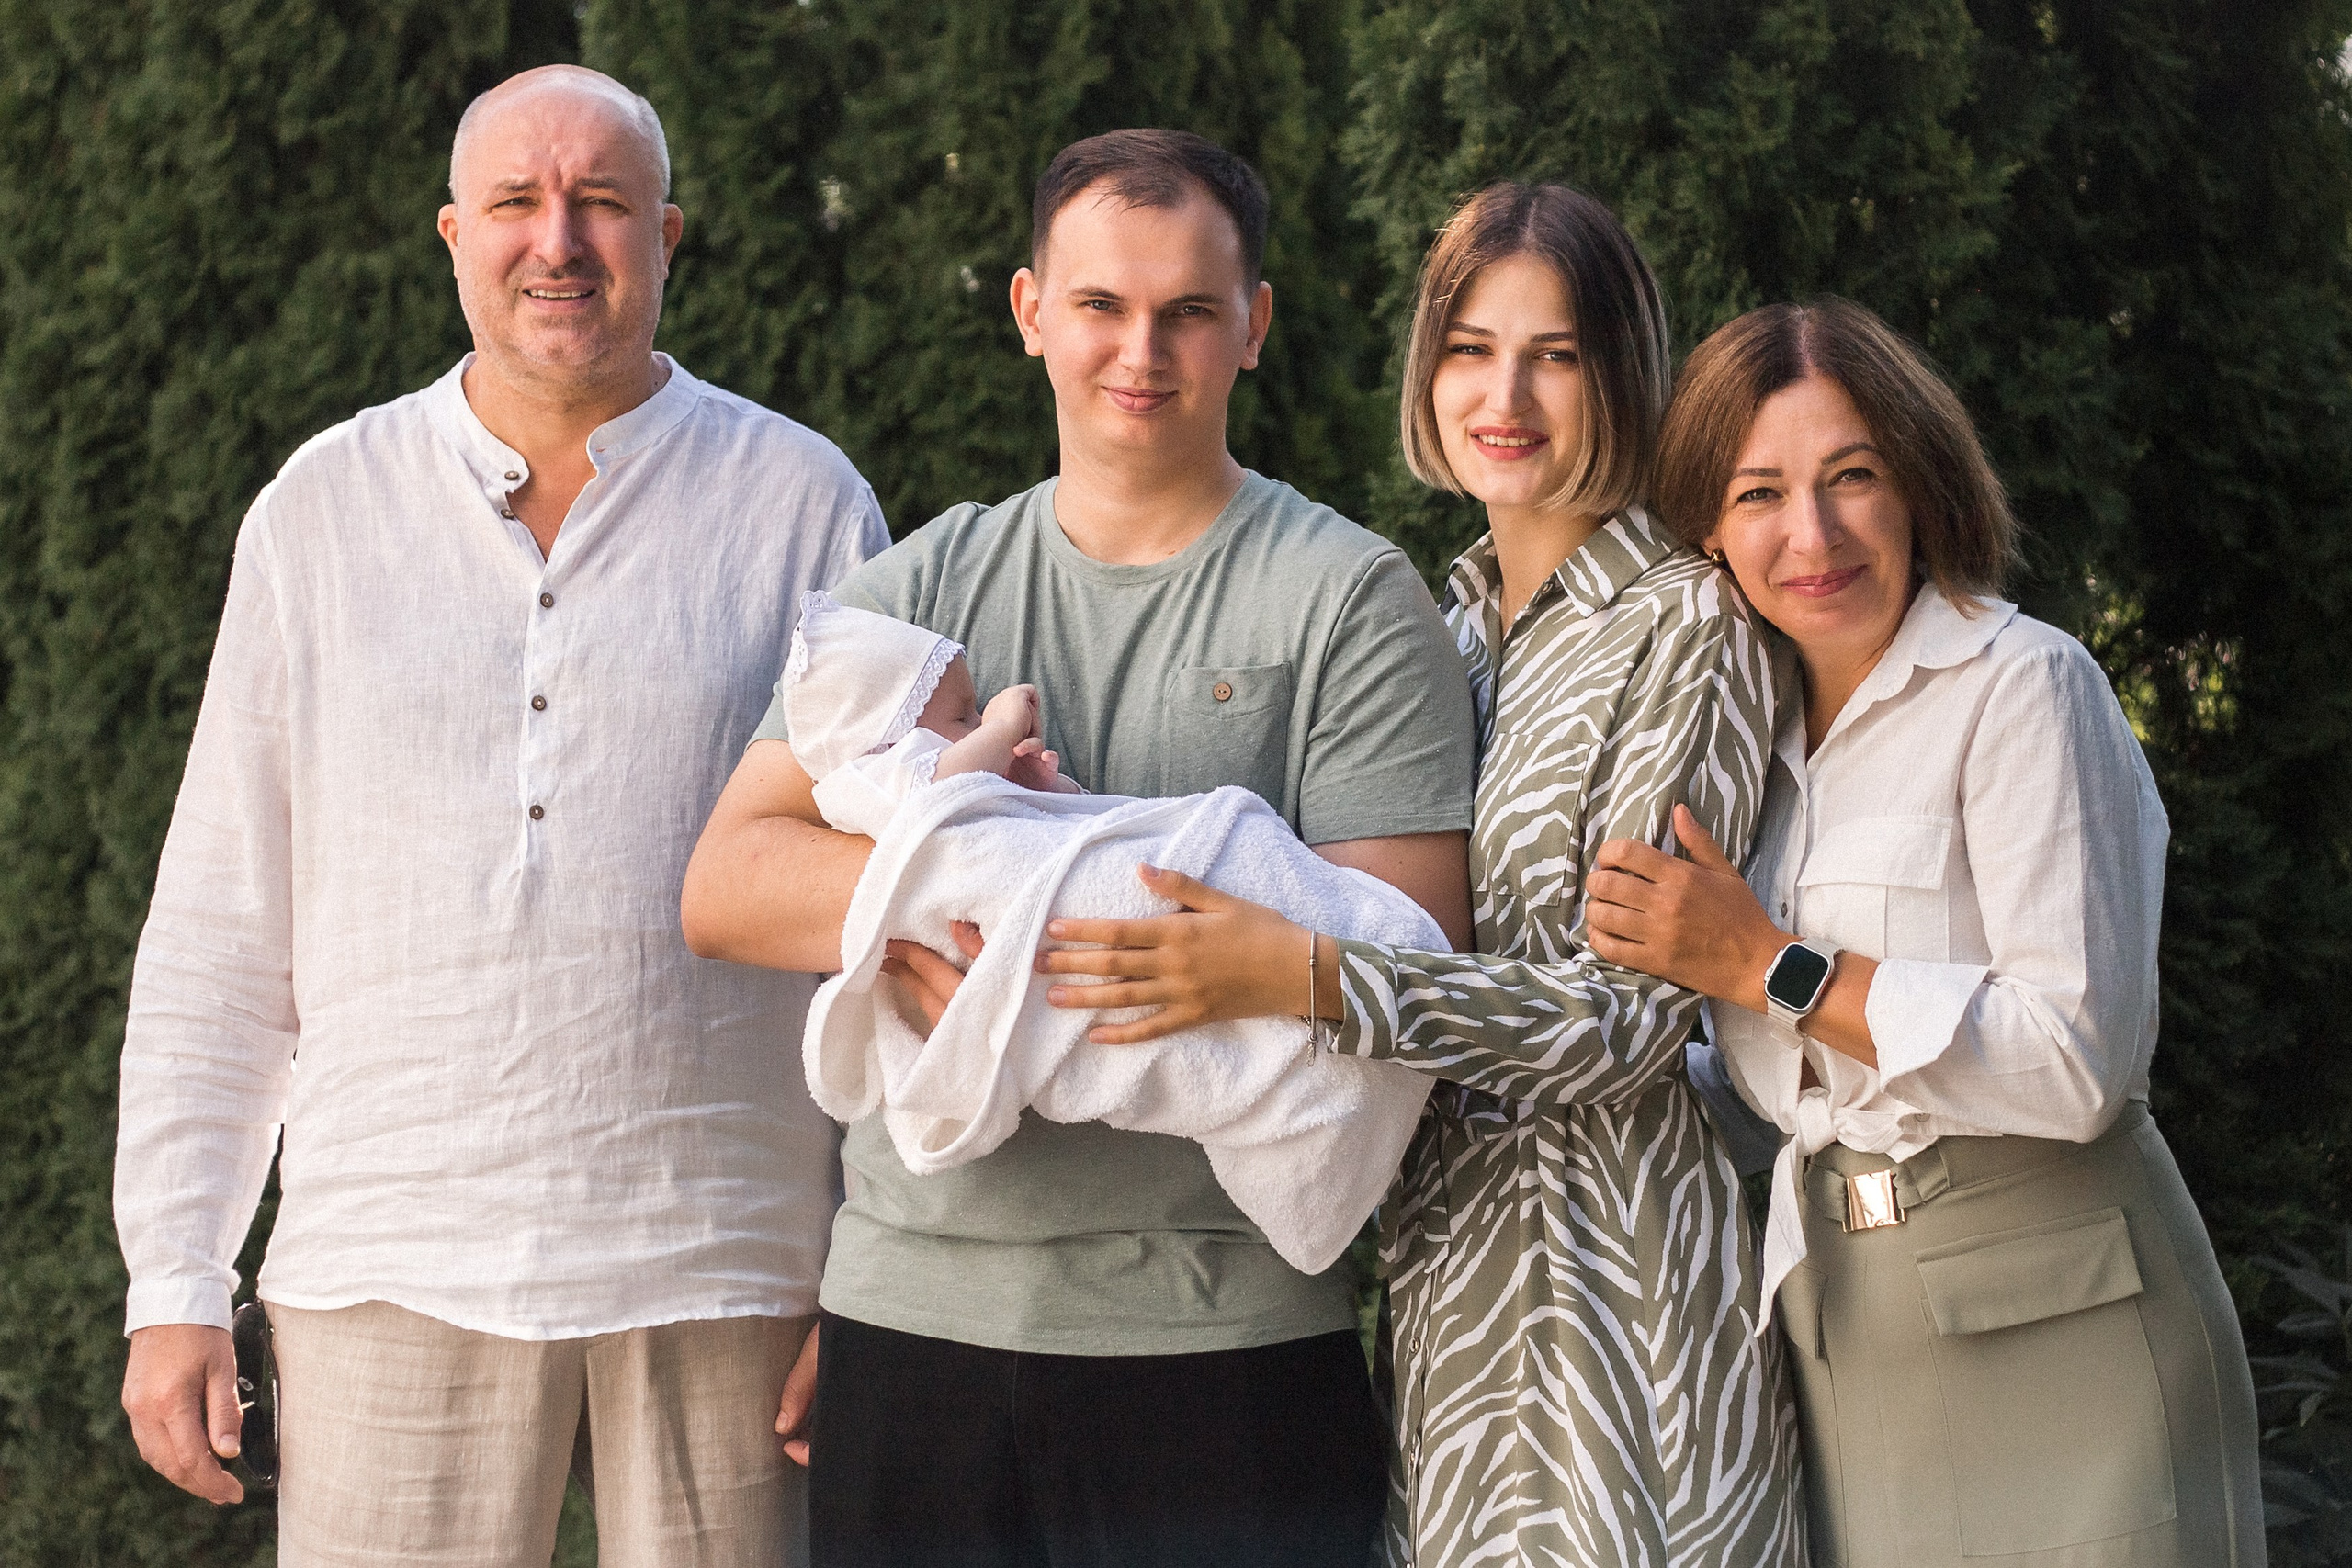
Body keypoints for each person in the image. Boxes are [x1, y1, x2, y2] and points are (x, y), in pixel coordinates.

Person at [114, 65, 887, 1567]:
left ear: (666, 233)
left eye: (601, 202)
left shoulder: (805, 504)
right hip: (388, 1257)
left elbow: (885, 916)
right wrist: (176, 1278)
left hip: (732, 1265)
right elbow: (222, 925)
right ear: (453, 233)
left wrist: (874, 1274)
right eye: (521, 203)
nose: (560, 240)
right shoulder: (320, 514)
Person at [680, 130, 1477, 1566]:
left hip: (1221, 1343)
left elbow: (1410, 969)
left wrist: (1186, 963)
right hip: (912, 1321)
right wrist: (937, 931)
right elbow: (727, 884)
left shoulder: (1350, 599)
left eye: (1187, 309)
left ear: (1255, 328)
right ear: (1031, 310)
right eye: (1102, 305)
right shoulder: (920, 585)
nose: (1142, 350)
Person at [1034, 182, 1806, 1566]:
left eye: (1555, 354)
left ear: (1621, 370)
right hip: (1445, 1284)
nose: (1503, 392)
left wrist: (1311, 975)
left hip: (1622, 1289)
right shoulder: (1436, 627)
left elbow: (1626, 1021)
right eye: (1470, 346)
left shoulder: (1689, 623)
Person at [1583, 296, 2266, 1566]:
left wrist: (1766, 964)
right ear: (1706, 532)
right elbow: (1778, 1085)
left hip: (2072, 1314)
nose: (1813, 533)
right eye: (1759, 494)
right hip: (1854, 1326)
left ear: (1921, 477)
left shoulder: (2025, 687)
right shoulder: (1744, 757)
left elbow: (2074, 1058)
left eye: (1853, 476)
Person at [782, 591, 1438, 1276]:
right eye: (961, 714)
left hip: (1093, 901)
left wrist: (1044, 787)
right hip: (1040, 957)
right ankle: (1318, 1078)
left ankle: (1348, 976)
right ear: (890, 739)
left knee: (1237, 868)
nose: (981, 718)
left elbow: (1074, 832)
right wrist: (1002, 726)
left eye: (978, 710)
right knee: (1181, 921)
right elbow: (934, 801)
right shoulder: (874, 787)